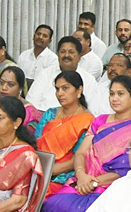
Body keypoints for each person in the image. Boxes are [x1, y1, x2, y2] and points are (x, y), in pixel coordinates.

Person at [37, 76, 131, 212]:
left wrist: (94, 182)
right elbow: (80, 153)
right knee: (51, 205)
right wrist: (81, 175)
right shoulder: (100, 121)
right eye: (112, 94)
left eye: (121, 94)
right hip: (84, 181)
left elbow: (130, 170)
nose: (115, 98)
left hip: (114, 187)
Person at [34, 70, 96, 198]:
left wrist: (50, 170)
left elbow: (79, 156)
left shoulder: (87, 121)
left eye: (65, 88)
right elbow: (35, 145)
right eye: (57, 89)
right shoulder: (50, 114)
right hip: (38, 167)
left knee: (38, 193)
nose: (59, 93)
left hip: (65, 175)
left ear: (79, 91)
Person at [27, 36, 97, 112]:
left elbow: (92, 109)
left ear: (79, 56)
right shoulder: (45, 74)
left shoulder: (88, 80)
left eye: (71, 52)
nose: (66, 55)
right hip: (43, 117)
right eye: (62, 52)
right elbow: (31, 103)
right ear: (58, 55)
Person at [0, 65, 41, 137]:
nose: (4, 88)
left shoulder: (30, 113)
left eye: (10, 84)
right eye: (2, 82)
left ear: (20, 88)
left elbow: (30, 141)